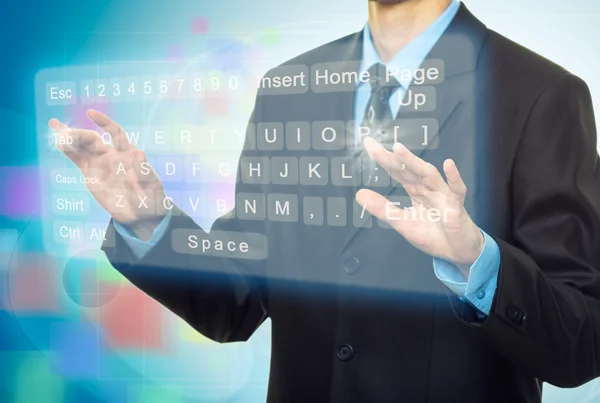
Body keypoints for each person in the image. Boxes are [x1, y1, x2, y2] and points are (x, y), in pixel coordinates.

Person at [49, 0, 600, 401]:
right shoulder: (287, 90)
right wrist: (148, 223)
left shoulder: (541, 94)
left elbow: (579, 343)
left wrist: (475, 259)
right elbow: (235, 300)